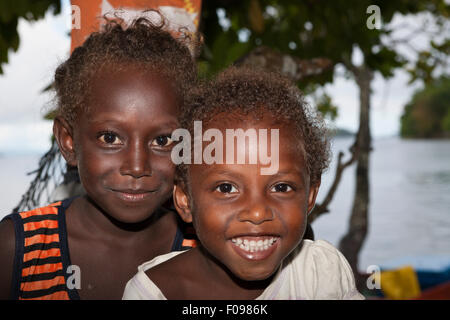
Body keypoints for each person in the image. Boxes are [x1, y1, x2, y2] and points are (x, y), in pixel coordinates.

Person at [122, 67, 365, 300]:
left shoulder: (320, 274)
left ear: (310, 195)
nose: (258, 212)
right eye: (226, 188)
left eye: (281, 187)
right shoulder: (151, 294)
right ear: (185, 200)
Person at [0, 14, 197, 300]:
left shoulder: (208, 252)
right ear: (68, 142)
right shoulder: (18, 249)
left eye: (162, 140)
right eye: (110, 138)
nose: (137, 167)